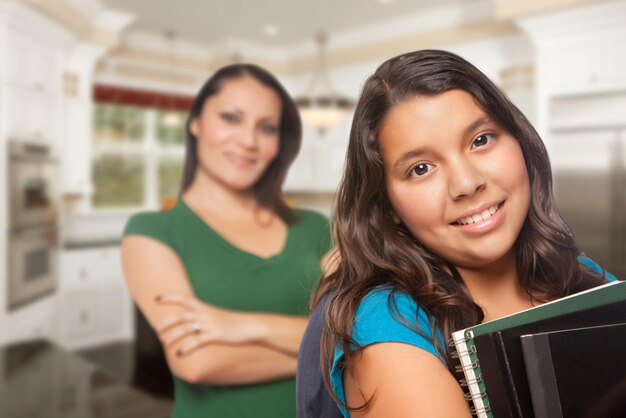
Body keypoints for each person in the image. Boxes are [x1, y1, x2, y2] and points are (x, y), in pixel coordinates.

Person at [298, 49, 618, 417]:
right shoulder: (387, 324)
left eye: (481, 140)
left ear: (522, 144)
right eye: (421, 168)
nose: (466, 184)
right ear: (388, 207)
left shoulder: (581, 274)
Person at [121, 63, 333, 418]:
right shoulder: (153, 231)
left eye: (266, 128)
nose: (249, 141)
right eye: (231, 118)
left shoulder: (315, 228)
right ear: (196, 122)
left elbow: (354, 327)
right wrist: (327, 352)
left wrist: (240, 326)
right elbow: (197, 361)